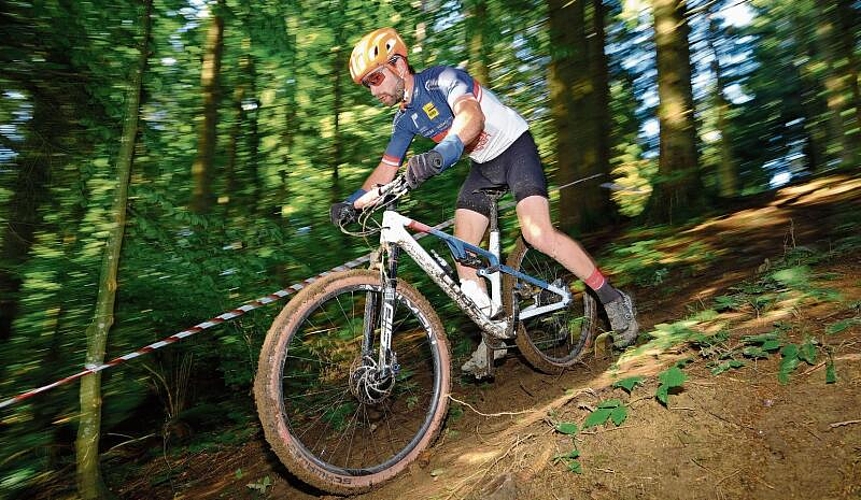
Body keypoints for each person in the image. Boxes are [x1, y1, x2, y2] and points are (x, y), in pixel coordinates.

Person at [330, 27, 638, 376]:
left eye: (375, 78)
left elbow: (471, 117)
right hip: (483, 166)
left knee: (538, 234)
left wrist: (439, 155)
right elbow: (385, 171)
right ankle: (493, 334)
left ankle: (612, 297)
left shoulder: (442, 79)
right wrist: (353, 203)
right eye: (367, 84)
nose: (374, 90)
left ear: (399, 64)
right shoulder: (405, 119)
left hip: (515, 148)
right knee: (462, 252)